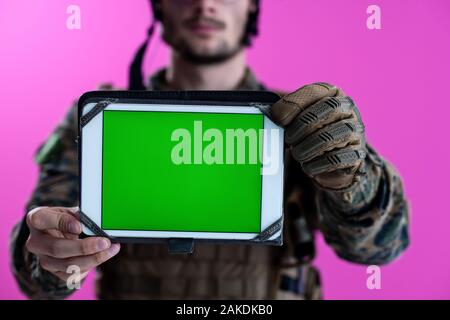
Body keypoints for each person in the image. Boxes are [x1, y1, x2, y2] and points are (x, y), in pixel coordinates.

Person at [10, 0, 409, 300]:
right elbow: (39, 252)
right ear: (160, 4)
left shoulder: (307, 120)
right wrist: (50, 259)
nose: (205, 4)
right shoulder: (103, 120)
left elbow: (378, 248)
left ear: (251, 5)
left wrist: (354, 180)